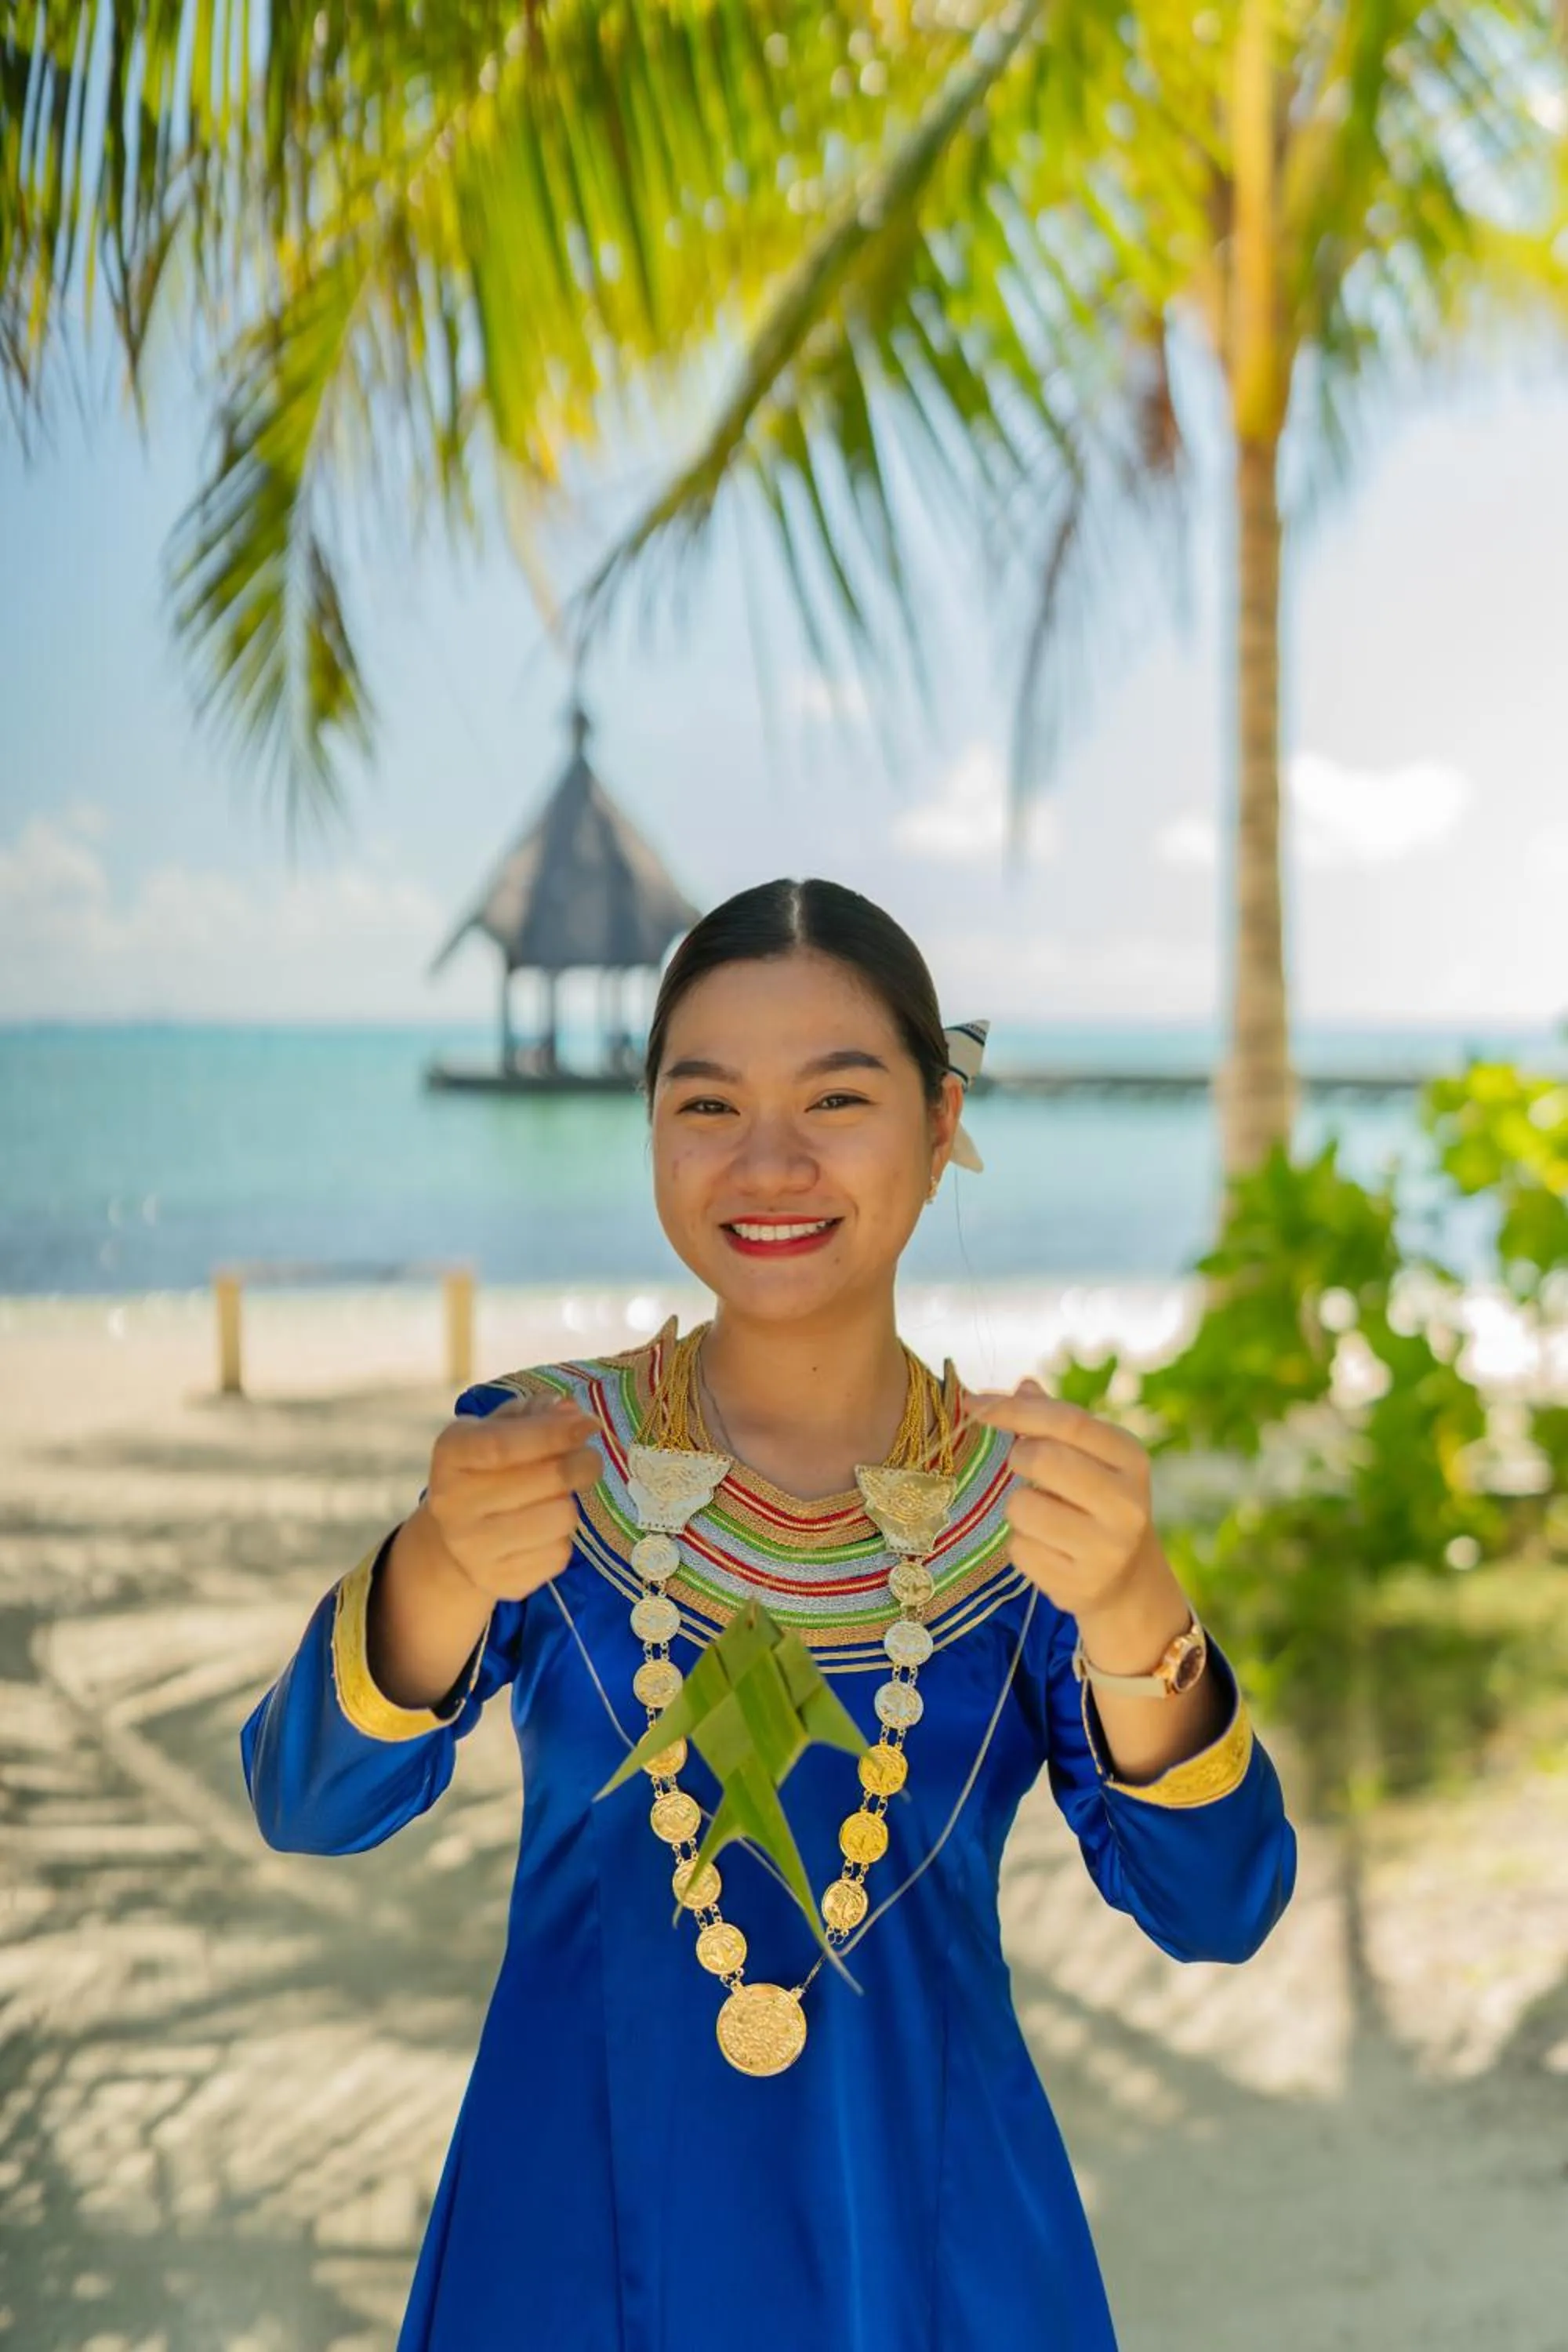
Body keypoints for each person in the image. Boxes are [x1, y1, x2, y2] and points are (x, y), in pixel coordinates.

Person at [241, 877, 1298, 2351]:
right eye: (709, 1106)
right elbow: (306, 1802)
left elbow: (1222, 1904)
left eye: (839, 1099)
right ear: (654, 1134)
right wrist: (433, 1559)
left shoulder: (1034, 1519)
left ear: (941, 1129)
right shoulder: (544, 1455)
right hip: (565, 2250)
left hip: (935, 2261)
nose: (772, 1163)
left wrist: (1136, 1610)